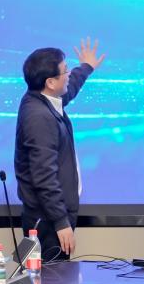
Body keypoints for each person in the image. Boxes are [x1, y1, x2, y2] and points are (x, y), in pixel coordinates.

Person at [15, 39, 105, 262]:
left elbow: (69, 89)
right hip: (47, 223)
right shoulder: (39, 117)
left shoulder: (43, 99)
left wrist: (86, 67)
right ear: (50, 82)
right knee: (51, 280)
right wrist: (60, 222)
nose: (69, 74)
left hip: (50, 217)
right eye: (65, 71)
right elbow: (44, 175)